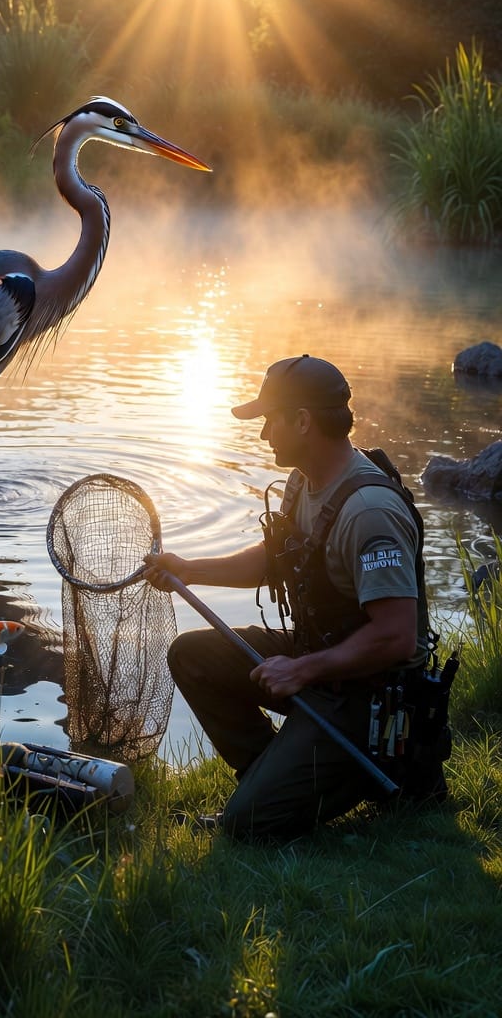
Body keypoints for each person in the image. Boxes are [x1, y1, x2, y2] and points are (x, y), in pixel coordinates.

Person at [144, 354, 443, 840]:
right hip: (324, 661)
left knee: (246, 826)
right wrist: (191, 570)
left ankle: (362, 777)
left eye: (270, 420)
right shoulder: (305, 480)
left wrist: (300, 670)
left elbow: (396, 637)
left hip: (369, 697)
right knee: (192, 655)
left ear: (303, 421)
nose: (264, 435)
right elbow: (276, 556)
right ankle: (274, 774)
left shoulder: (369, 512)